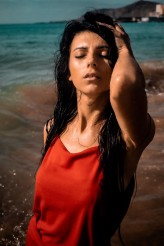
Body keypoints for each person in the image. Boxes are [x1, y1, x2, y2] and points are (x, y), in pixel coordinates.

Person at [26, 11, 155, 246]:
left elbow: (125, 85)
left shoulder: (127, 140)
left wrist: (124, 48)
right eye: (80, 54)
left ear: (115, 67)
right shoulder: (52, 129)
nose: (91, 61)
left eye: (103, 55)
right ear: (67, 72)